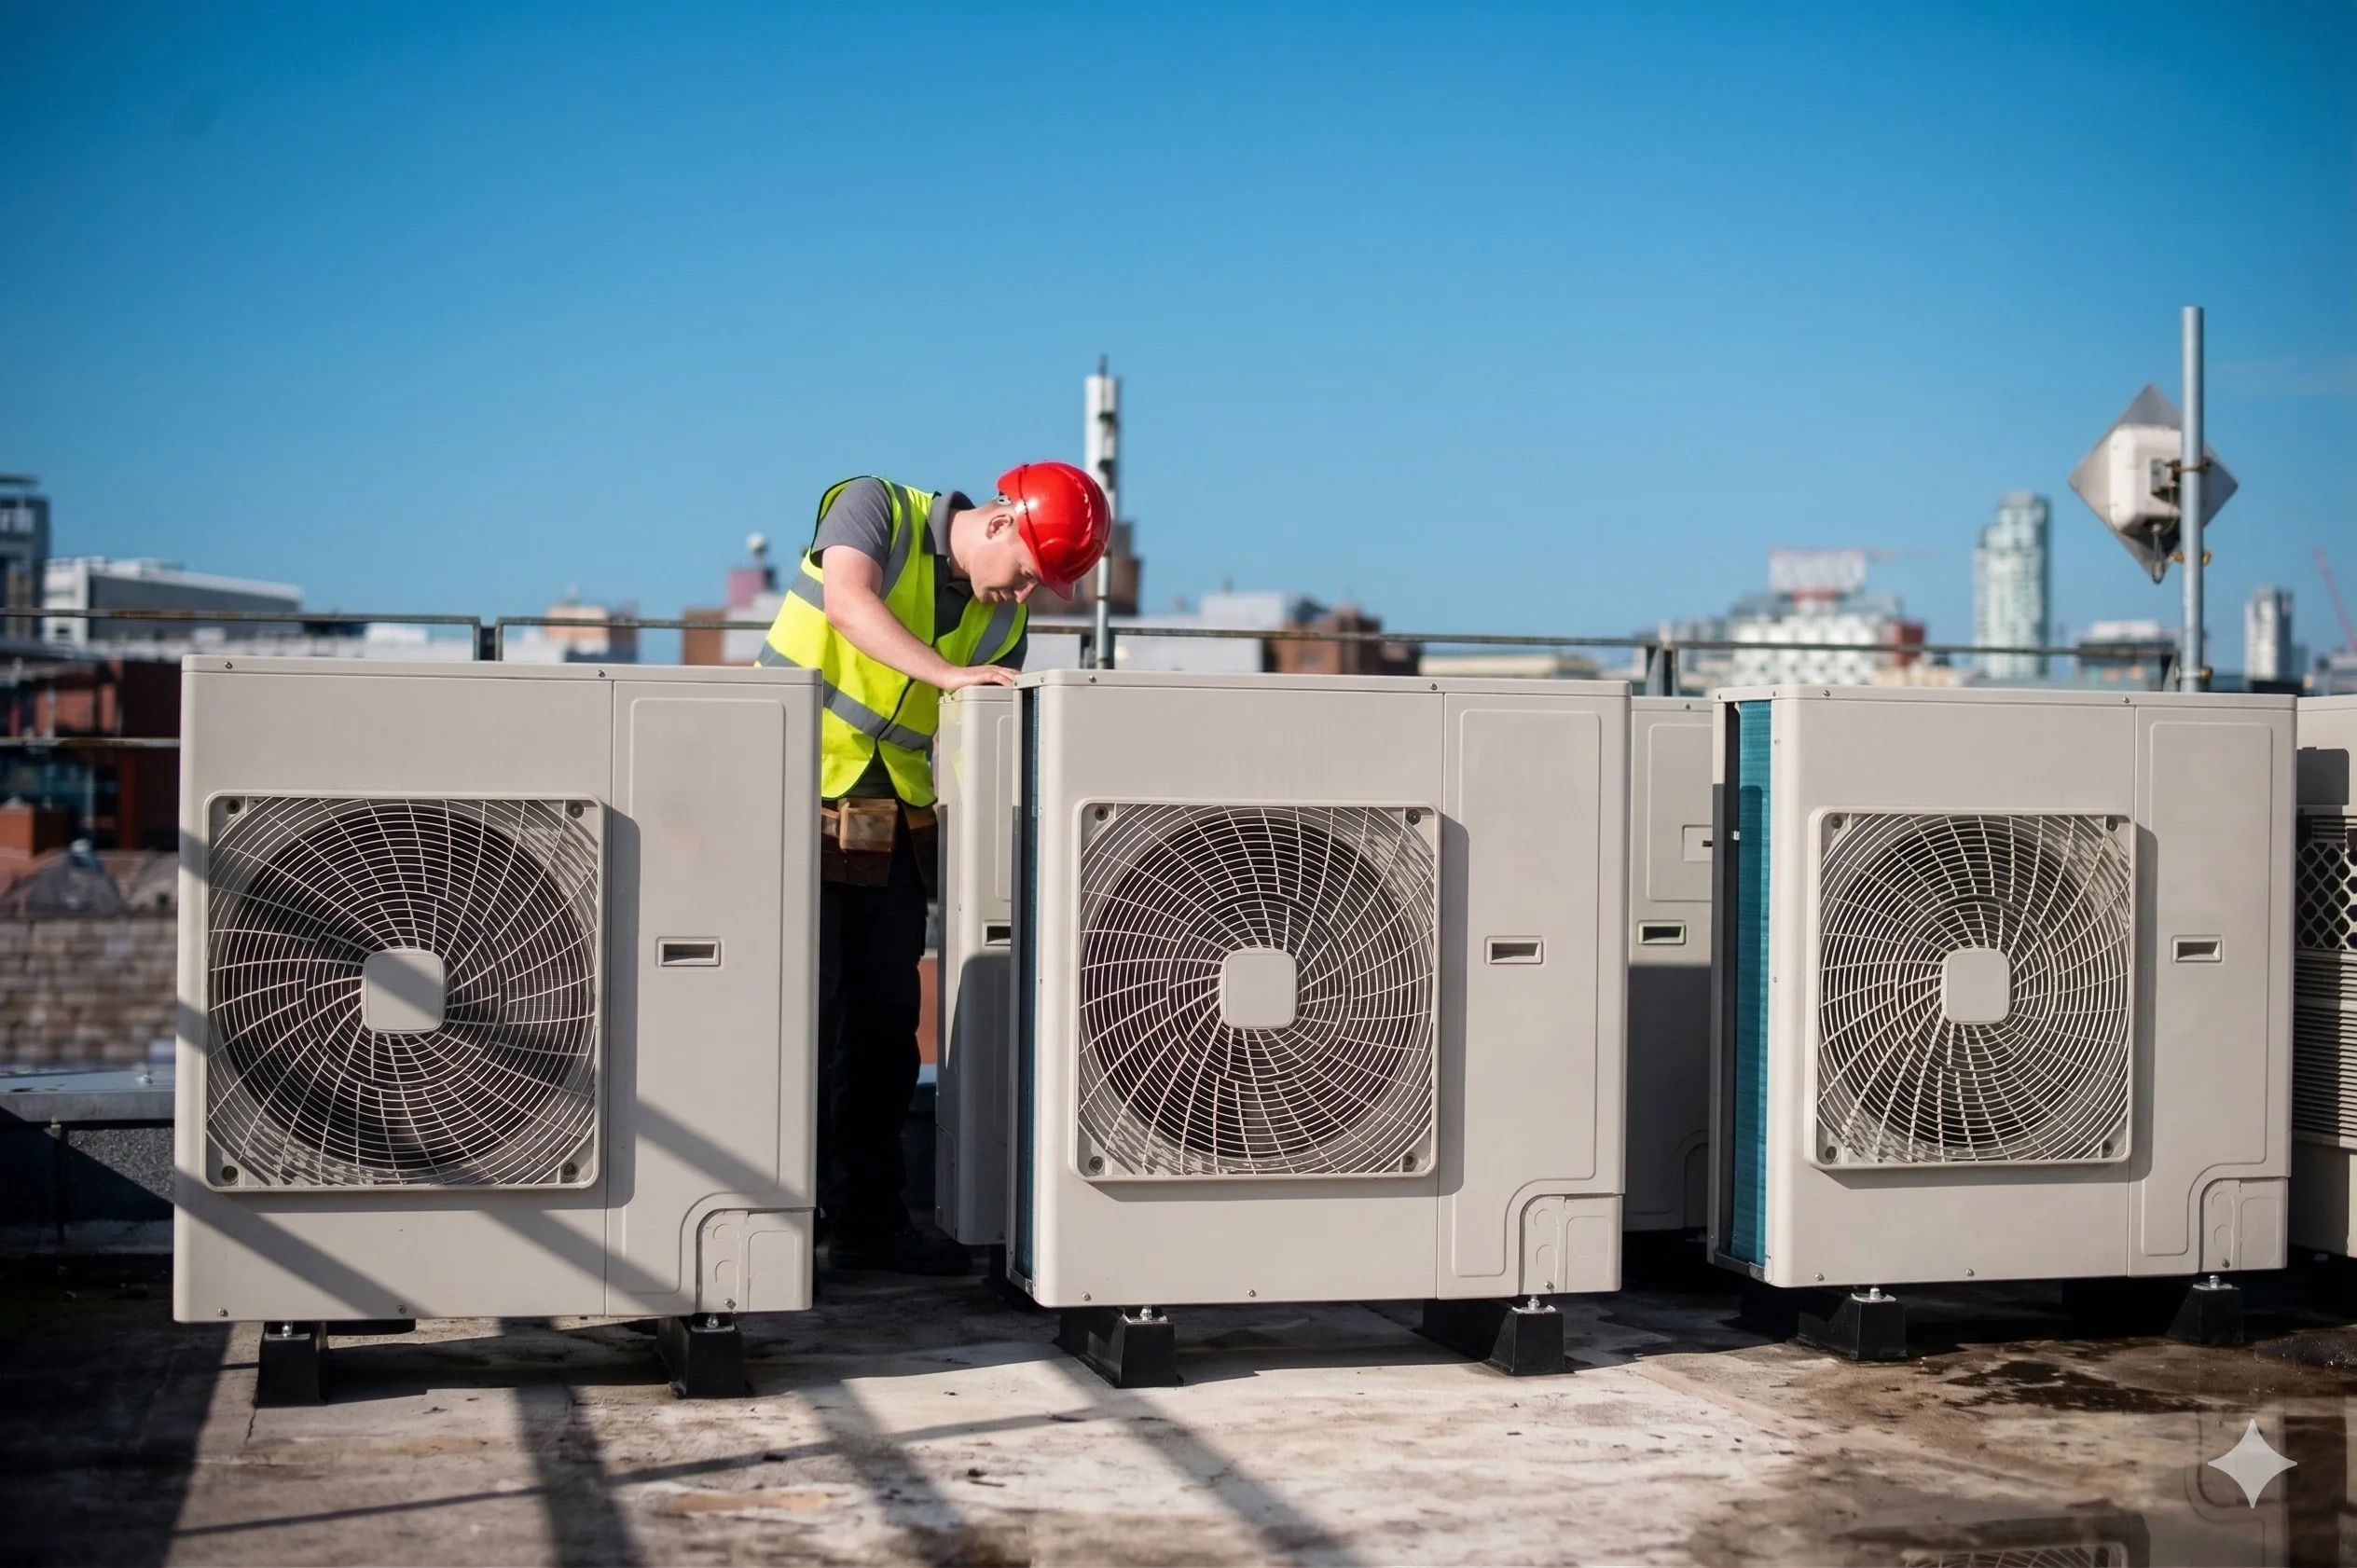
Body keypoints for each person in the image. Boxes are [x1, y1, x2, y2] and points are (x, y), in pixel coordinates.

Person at [758, 464, 1110, 1272]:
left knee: (883, 1023)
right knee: (791, 1019)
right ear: (996, 525)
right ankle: (775, 1228)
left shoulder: (998, 620)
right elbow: (849, 603)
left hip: (890, 819)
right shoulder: (873, 506)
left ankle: (868, 1224)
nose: (1022, 597)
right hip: (783, 791)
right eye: (1025, 573)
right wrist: (949, 675)